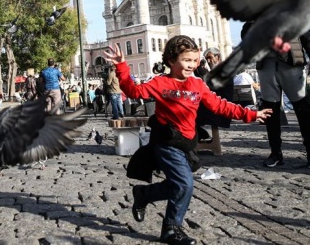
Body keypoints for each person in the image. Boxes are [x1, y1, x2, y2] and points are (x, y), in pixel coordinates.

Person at [103, 35, 272, 245]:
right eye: (186, 60)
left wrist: (250, 114)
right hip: (166, 143)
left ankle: (144, 194)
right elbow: (133, 91)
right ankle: (171, 229)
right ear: (172, 60)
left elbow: (220, 105)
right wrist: (121, 65)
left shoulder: (198, 85)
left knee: (177, 185)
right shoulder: (161, 82)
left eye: (195, 60)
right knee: (185, 184)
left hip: (186, 144)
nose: (192, 65)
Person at [244, 21, 310, 168]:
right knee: (270, 111)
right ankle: (275, 153)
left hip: (291, 64)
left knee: (303, 110)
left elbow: (306, 35)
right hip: (267, 65)